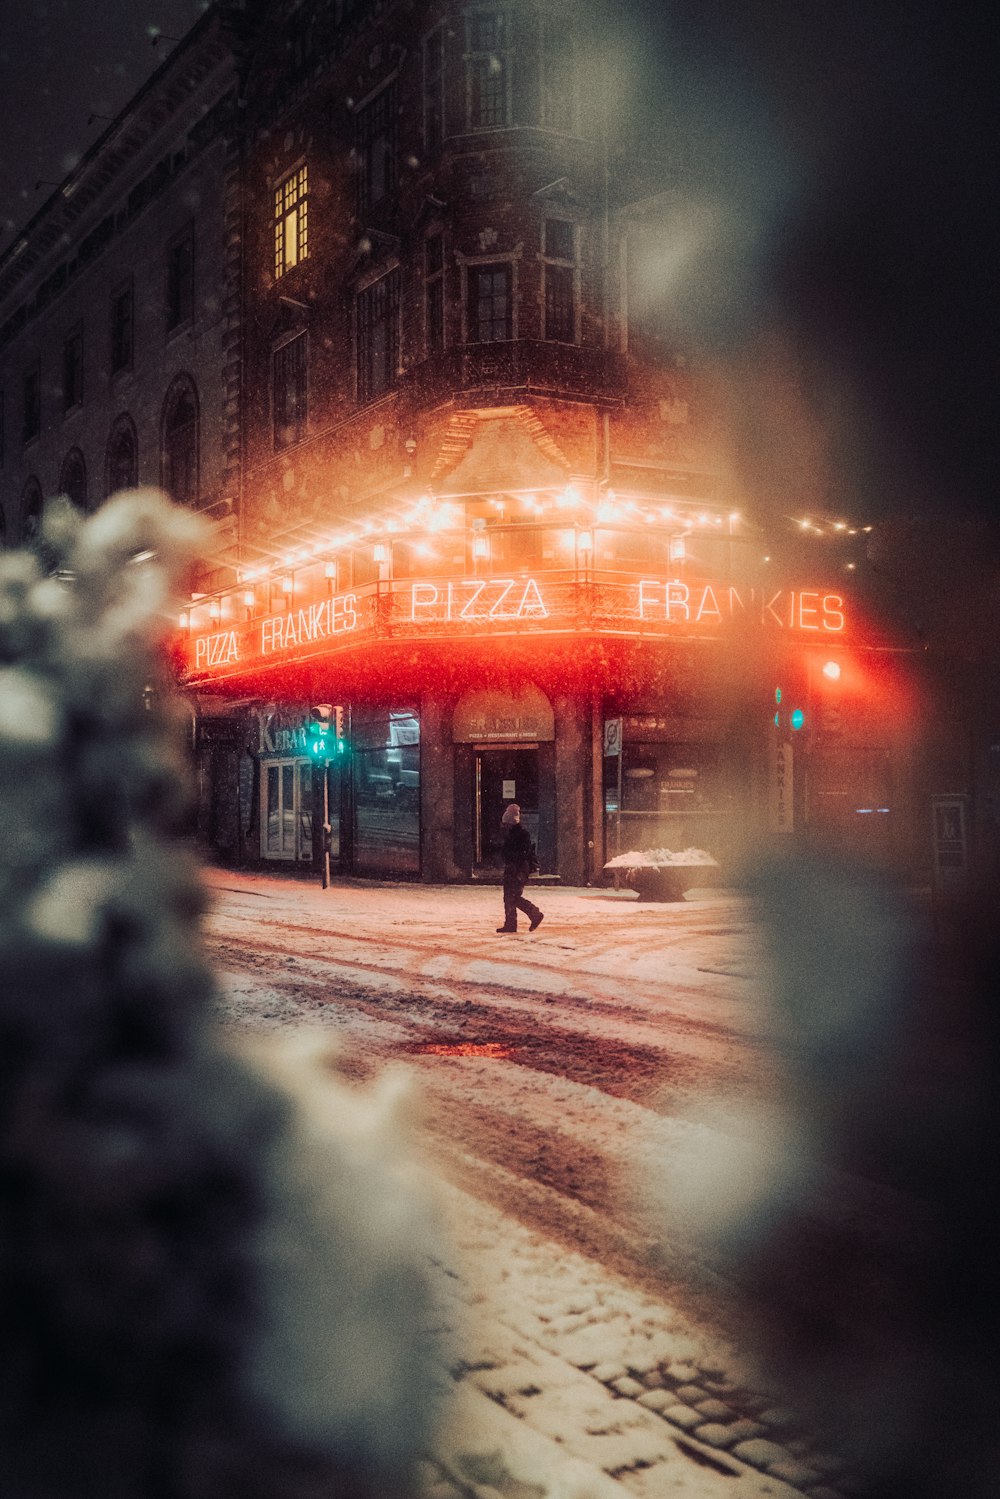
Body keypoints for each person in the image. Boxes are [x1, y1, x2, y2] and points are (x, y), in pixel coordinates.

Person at [496, 803, 543, 933]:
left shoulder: (520, 835)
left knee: (513, 896)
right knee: (509, 897)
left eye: (506, 823)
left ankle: (534, 914)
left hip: (518, 869)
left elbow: (522, 854)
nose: (504, 826)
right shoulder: (515, 835)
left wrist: (517, 868)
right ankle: (511, 924)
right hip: (515, 869)